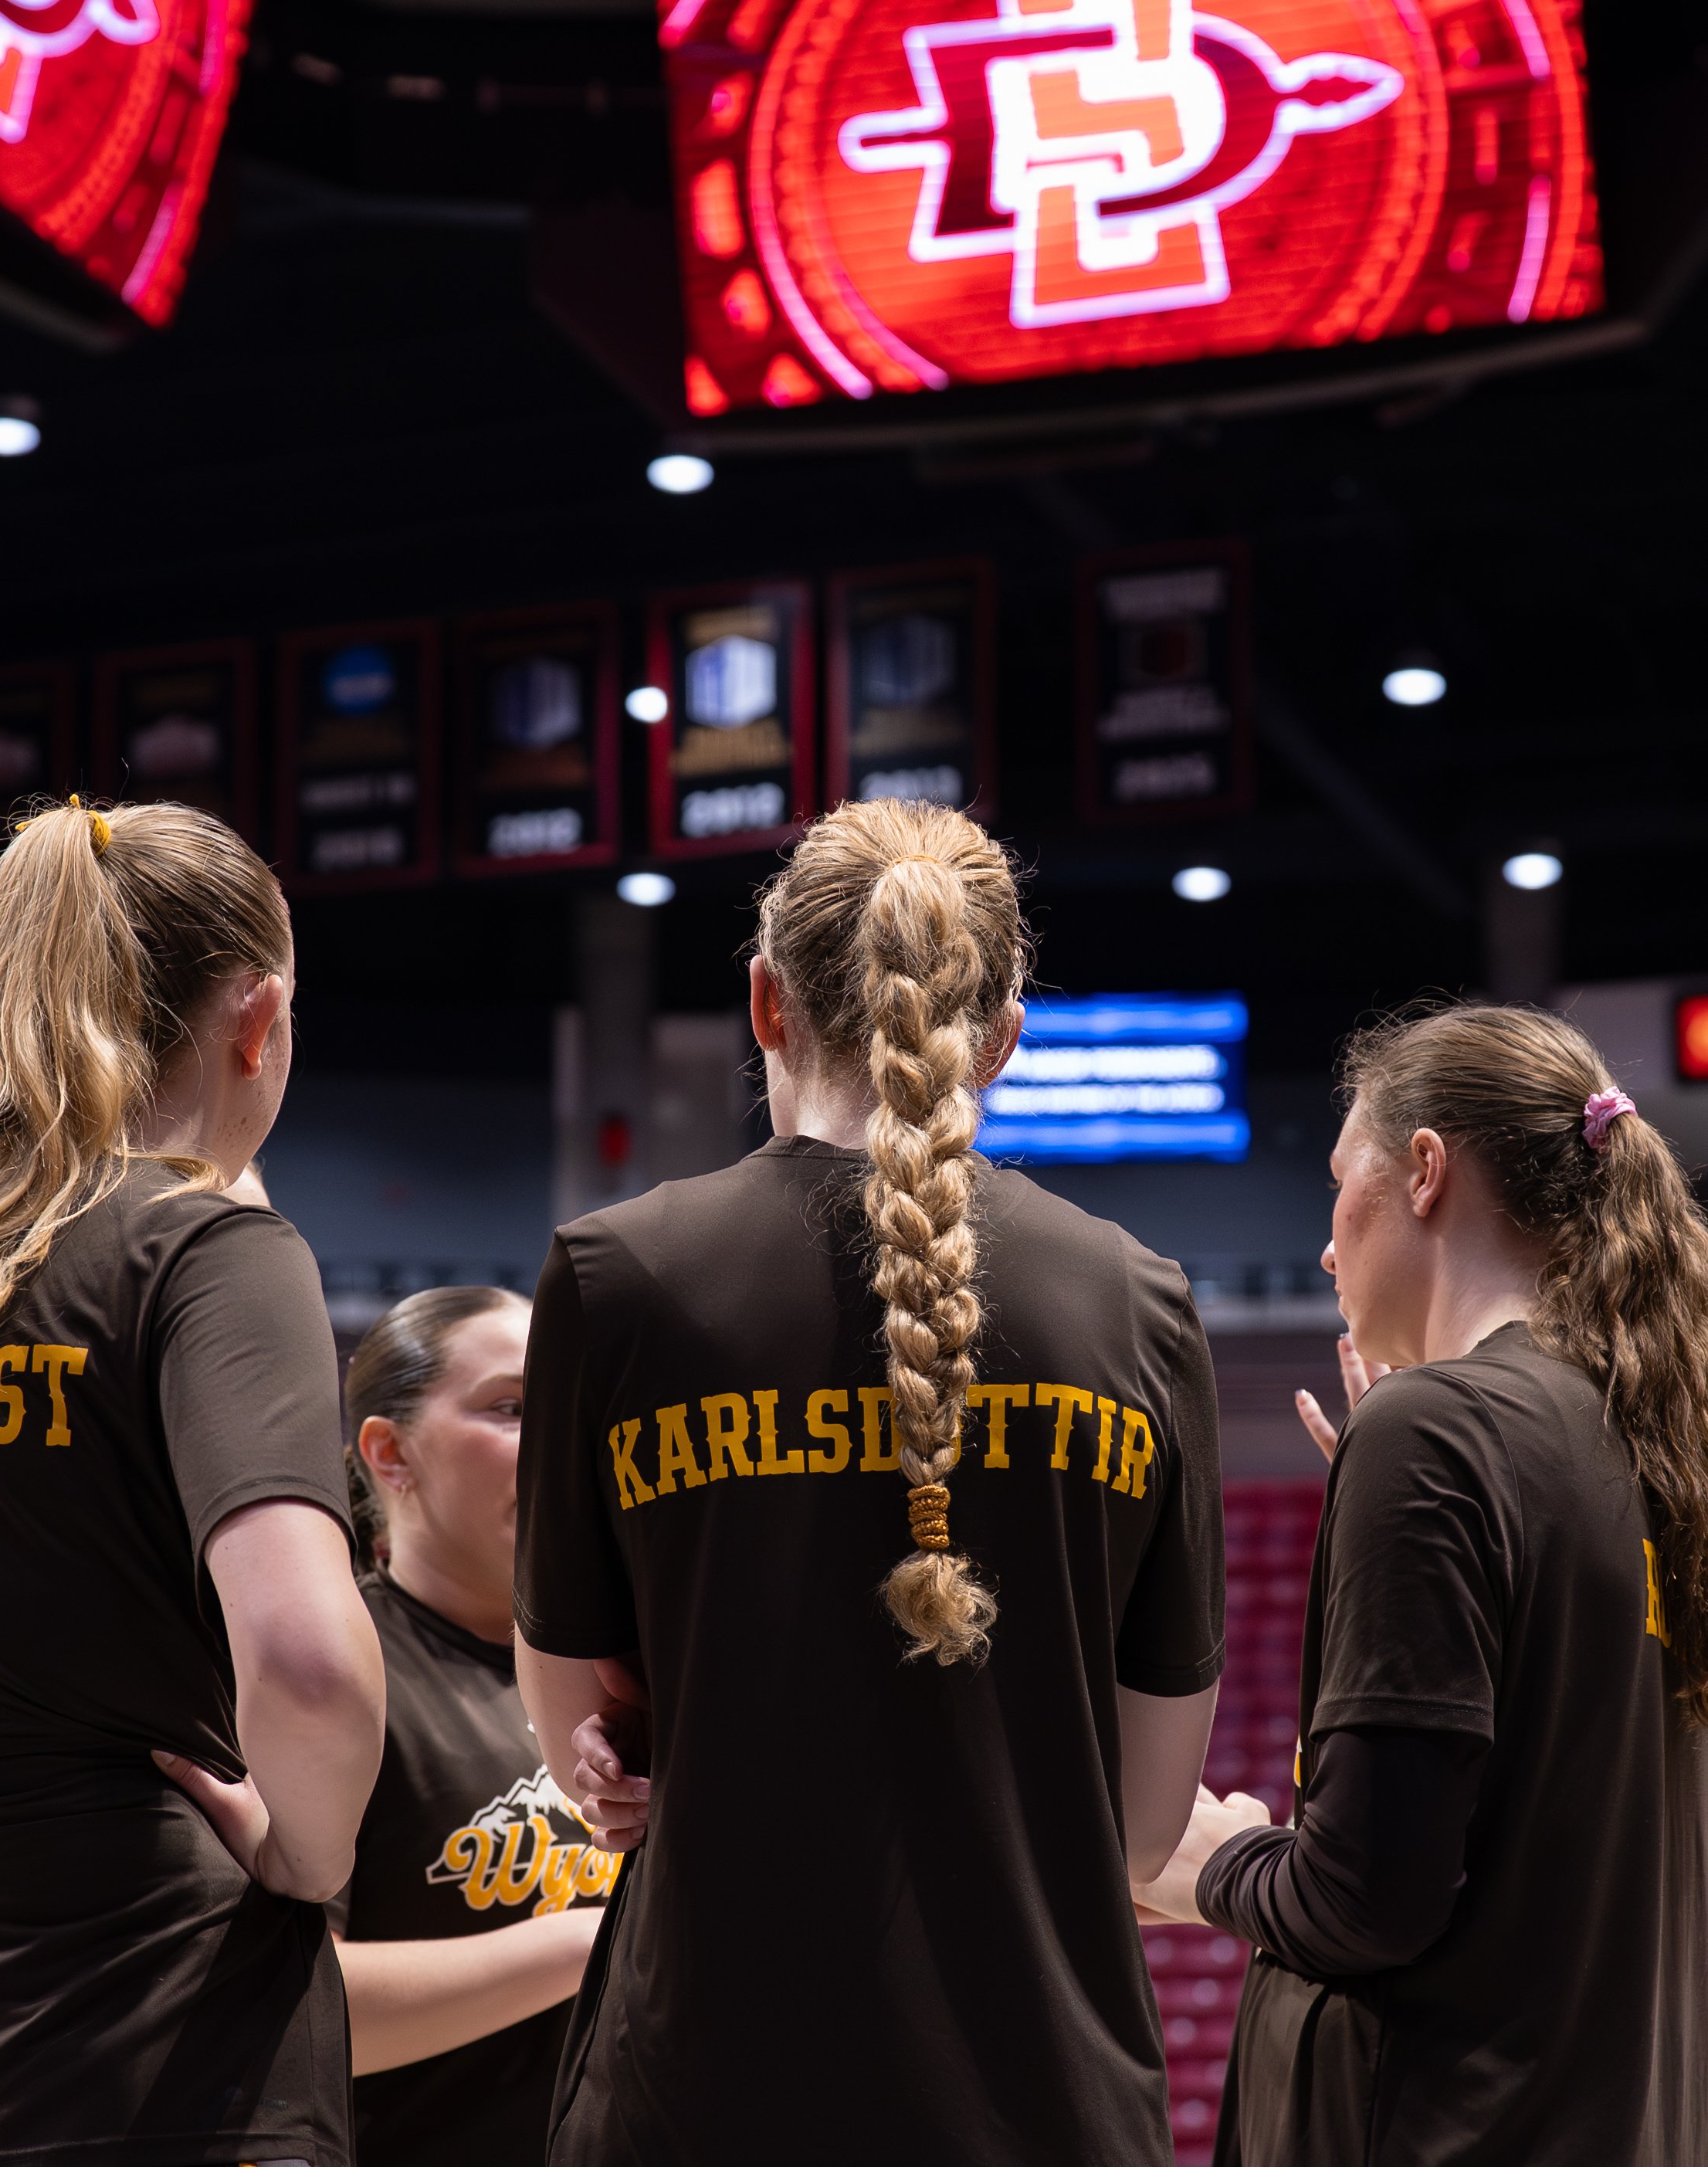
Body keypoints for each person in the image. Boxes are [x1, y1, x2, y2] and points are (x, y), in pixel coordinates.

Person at [513, 797, 1228, 2167]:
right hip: (1045, 2109)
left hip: (704, 2101)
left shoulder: (620, 1276)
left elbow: (582, 1743)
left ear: (766, 1002)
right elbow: (1141, 1826)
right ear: (1004, 1032)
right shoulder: (1139, 1300)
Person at [1137, 1003, 1708, 2167]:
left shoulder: (1439, 1434)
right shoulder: (1645, 1436)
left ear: (1424, 1172)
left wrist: (1209, 1863)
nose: (1326, 1247)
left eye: (1340, 1183)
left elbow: (1364, 1900)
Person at [0, 797, 385, 2167]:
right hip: (164, 2052)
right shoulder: (205, 1250)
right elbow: (309, 1663)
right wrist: (310, 1858)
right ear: (257, 1019)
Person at [329, 1286, 614, 2167]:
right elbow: (287, 2006)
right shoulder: (339, 1671)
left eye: (571, 1411)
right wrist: (599, 1938)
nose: (560, 1447)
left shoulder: (641, 1662)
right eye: (513, 1408)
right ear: (391, 1453)